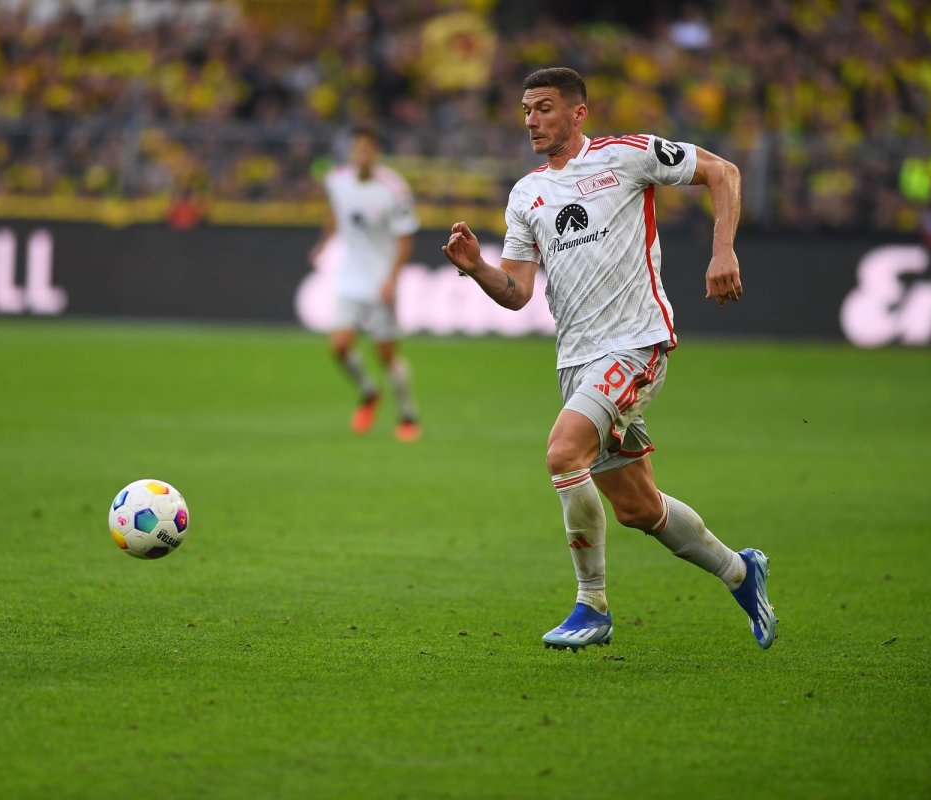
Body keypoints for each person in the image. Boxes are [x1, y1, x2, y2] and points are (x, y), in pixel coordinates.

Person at [441, 67, 776, 651]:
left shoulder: (627, 156)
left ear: (578, 113)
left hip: (635, 343)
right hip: (576, 360)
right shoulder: (527, 194)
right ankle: (742, 573)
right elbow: (518, 293)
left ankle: (590, 606)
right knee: (638, 509)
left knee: (562, 451)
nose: (531, 120)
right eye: (525, 109)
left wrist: (723, 252)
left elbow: (723, 171)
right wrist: (476, 270)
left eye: (543, 107)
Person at [313, 124, 423, 441]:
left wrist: (391, 279)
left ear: (376, 152)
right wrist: (323, 244)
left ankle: (407, 413)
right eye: (356, 147)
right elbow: (335, 214)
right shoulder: (336, 182)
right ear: (350, 150)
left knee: (386, 355)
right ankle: (368, 391)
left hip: (380, 281)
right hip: (350, 278)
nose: (361, 153)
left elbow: (404, 240)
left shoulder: (394, 189)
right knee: (339, 347)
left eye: (367, 148)